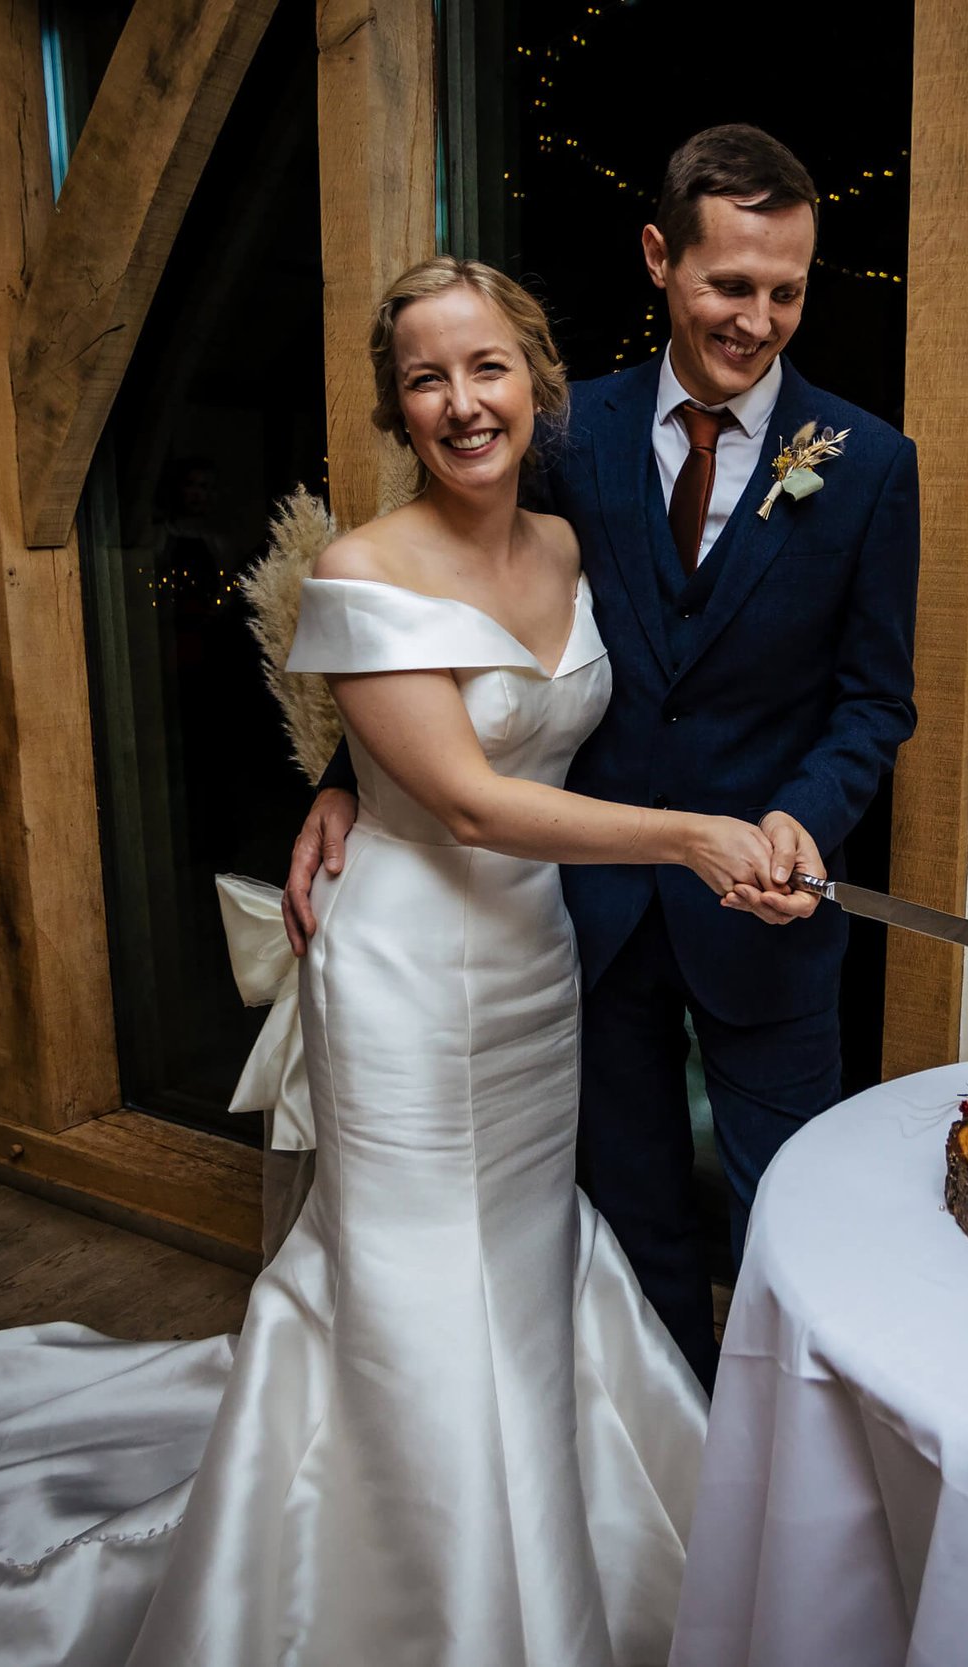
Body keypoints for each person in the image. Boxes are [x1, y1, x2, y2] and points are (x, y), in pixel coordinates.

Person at [0, 260, 741, 1667]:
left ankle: (553, 1530)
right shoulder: (361, 567)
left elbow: (514, 746)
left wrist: (342, 780)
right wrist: (689, 838)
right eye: (426, 377)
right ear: (393, 405)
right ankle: (428, 1580)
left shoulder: (575, 548)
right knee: (408, 1268)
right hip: (406, 972)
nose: (462, 402)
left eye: (487, 368)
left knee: (522, 1253)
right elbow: (468, 797)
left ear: (538, 380)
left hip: (535, 965)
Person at [287, 125, 920, 1388]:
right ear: (658, 258)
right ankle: (675, 1457)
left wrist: (801, 814)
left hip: (771, 915)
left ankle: (792, 1468)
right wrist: (348, 774)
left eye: (785, 290)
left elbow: (873, 700)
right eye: (727, 284)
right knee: (631, 1222)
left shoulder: (868, 465)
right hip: (589, 918)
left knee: (795, 1214)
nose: (756, 320)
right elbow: (453, 632)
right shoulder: (566, 433)